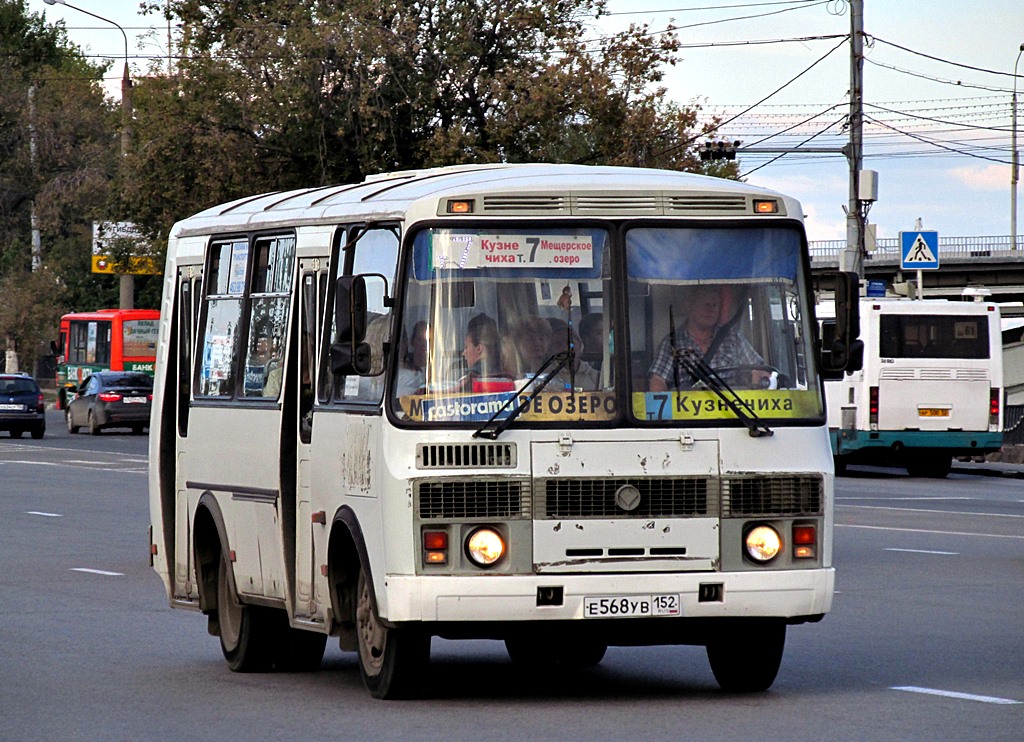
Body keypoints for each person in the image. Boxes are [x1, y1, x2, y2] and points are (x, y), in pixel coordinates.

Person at [648, 284, 767, 391]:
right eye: (705, 304)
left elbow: (759, 369)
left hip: (734, 409)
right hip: (689, 412)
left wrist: (760, 382)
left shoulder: (733, 337)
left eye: (715, 305)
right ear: (688, 307)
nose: (711, 309)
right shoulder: (672, 344)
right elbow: (658, 380)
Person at [395, 320, 428, 397]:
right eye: (420, 339)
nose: (424, 344)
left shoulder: (439, 370)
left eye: (428, 340)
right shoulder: (403, 371)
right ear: (412, 341)